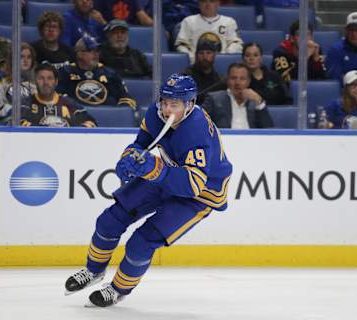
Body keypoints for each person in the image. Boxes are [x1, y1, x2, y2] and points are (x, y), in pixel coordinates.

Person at [64, 73, 232, 307]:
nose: (166, 109)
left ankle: (118, 289)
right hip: (168, 172)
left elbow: (192, 185)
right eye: (164, 102)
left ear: (190, 104)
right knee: (109, 220)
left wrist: (154, 168)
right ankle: (93, 270)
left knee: (141, 242)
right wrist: (129, 156)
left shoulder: (196, 131)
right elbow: (142, 142)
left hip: (201, 193)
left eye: (174, 104)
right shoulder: (155, 113)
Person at [57, 35, 140, 123]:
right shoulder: (65, 72)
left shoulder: (110, 74)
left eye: (97, 51)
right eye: (91, 51)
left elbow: (127, 98)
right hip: (78, 120)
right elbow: (56, 98)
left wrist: (119, 112)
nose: (96, 54)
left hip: (110, 119)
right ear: (79, 53)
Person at [20, 63, 96, 127]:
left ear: (56, 82)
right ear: (35, 81)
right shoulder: (25, 103)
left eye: (50, 78)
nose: (46, 82)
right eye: (41, 78)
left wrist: (71, 132)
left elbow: (91, 123)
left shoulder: (69, 103)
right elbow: (11, 121)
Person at [202, 62, 274, 128]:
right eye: (233, 78)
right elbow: (198, 123)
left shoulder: (255, 102)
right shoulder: (214, 99)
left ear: (249, 81)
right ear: (227, 80)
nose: (237, 83)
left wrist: (259, 103)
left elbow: (269, 130)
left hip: (251, 141)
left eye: (242, 79)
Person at [175, 0, 244, 64]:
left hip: (222, 64)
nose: (208, 4)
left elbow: (236, 44)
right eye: (204, 1)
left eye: (211, 1)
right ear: (199, 4)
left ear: (218, 4)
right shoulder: (188, 21)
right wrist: (193, 58)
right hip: (195, 65)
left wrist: (223, 57)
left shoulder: (229, 22)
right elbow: (181, 45)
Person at [0, 43, 38, 125]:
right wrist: (16, 110)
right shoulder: (1, 80)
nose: (25, 60)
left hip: (32, 121)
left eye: (29, 57)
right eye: (21, 57)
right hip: (8, 121)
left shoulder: (38, 81)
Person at [183, 38, 226, 105]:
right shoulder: (186, 76)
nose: (205, 57)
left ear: (214, 55)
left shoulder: (219, 79)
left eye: (208, 53)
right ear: (196, 55)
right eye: (201, 53)